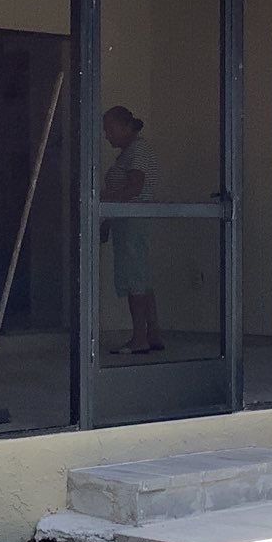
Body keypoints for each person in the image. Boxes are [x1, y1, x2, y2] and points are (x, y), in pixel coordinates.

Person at [101, 105, 163, 355]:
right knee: (141, 278)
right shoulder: (129, 153)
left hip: (132, 223)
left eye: (110, 129)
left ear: (126, 127)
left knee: (134, 279)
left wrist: (105, 203)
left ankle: (139, 338)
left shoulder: (138, 151)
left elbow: (135, 187)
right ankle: (153, 334)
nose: (107, 135)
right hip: (126, 222)